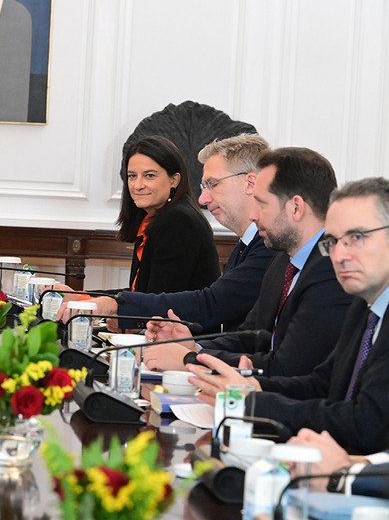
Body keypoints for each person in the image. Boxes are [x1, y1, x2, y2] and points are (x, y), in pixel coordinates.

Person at [189, 177, 389, 453]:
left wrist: (254, 403)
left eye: (356, 237)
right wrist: (250, 387)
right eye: (333, 241)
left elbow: (367, 423)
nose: (340, 255)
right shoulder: (364, 306)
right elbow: (323, 383)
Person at [143, 147, 353, 378]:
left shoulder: (333, 270)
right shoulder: (283, 259)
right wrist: (193, 346)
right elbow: (249, 337)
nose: (253, 215)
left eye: (262, 203)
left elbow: (287, 367)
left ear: (296, 207)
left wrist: (191, 359)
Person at [69, 134, 275, 332]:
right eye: (132, 176)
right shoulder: (246, 245)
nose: (203, 199)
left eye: (213, 184)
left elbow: (211, 304)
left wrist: (113, 306)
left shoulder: (269, 246)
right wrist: (90, 299)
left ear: (250, 183)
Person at [114, 135, 220, 295]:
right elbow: (139, 293)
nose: (137, 186)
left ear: (174, 180)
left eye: (149, 175)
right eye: (132, 176)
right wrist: (83, 296)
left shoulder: (178, 221)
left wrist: (92, 301)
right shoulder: (155, 218)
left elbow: (157, 300)